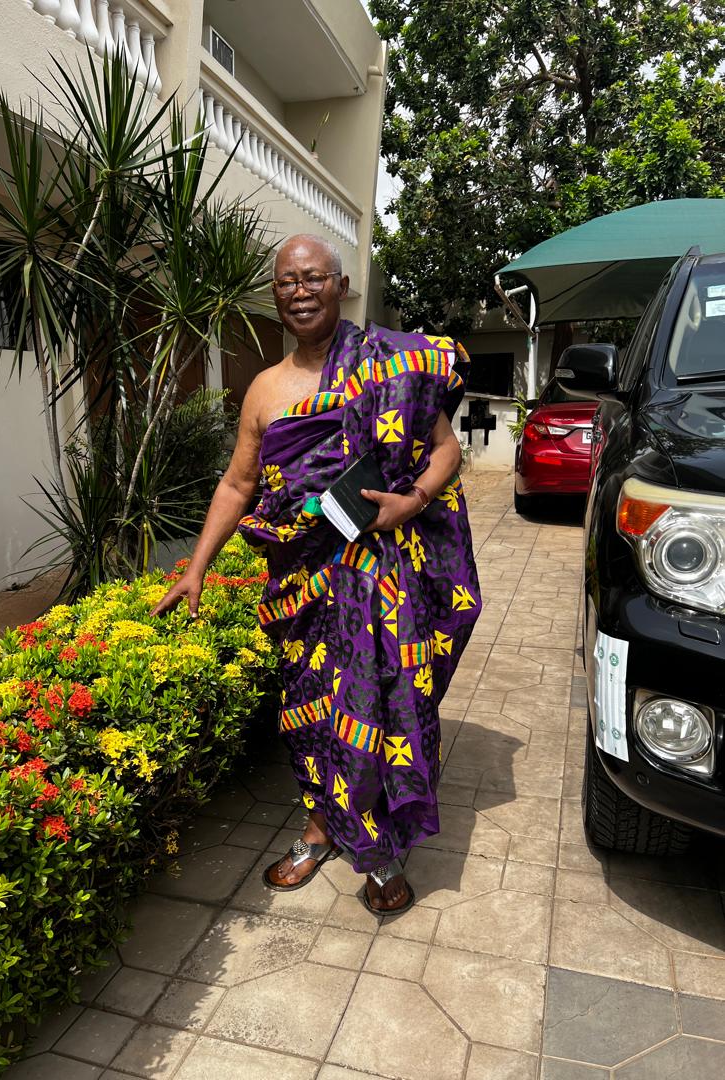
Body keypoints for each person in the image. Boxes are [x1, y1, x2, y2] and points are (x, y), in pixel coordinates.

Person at [152, 234, 481, 913]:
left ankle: (382, 851)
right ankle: (321, 825)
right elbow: (238, 485)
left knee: (387, 707)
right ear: (275, 297)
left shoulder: (393, 365)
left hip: (385, 578)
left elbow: (445, 451)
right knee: (312, 713)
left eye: (312, 278)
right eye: (285, 282)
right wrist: (197, 568)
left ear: (339, 285)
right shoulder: (265, 391)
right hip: (304, 588)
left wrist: (412, 502)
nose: (299, 291)